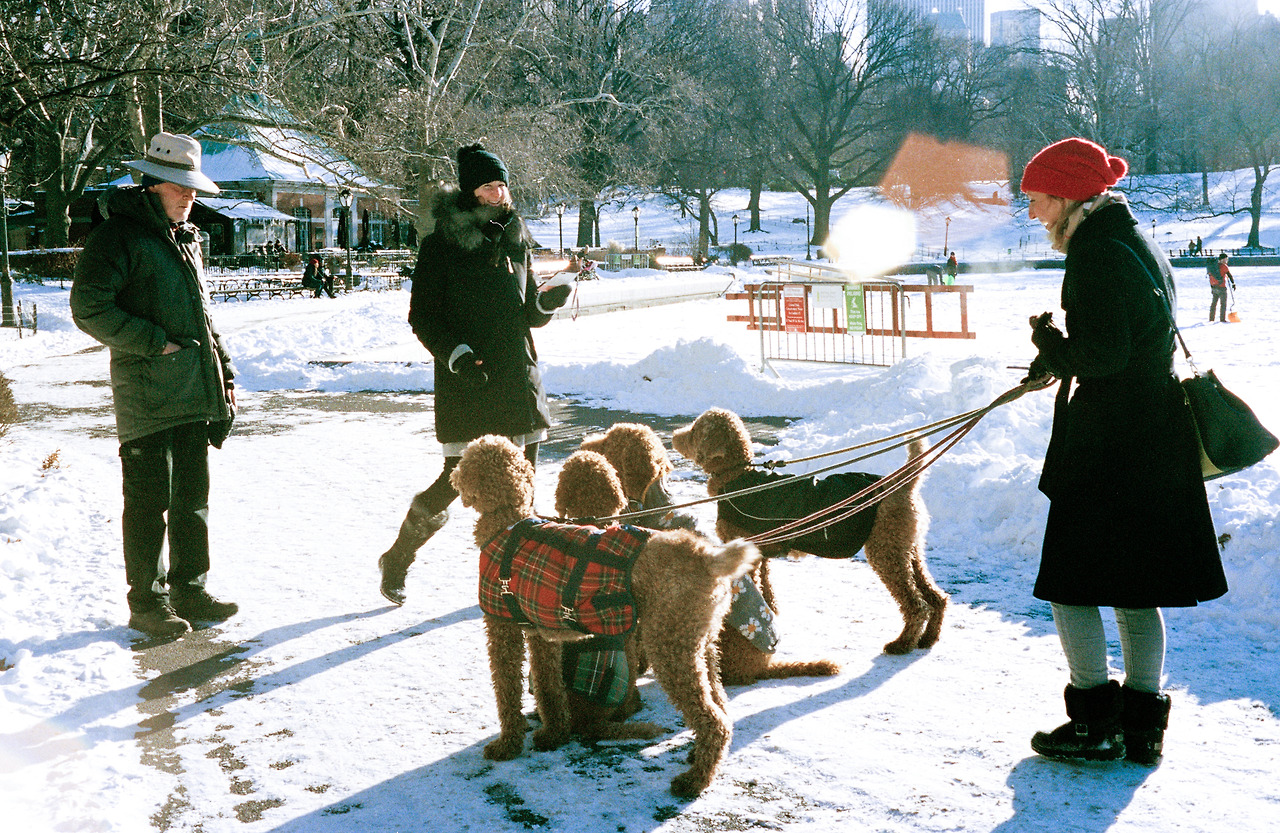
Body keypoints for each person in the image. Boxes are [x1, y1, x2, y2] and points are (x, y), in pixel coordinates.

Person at [1020, 137, 1227, 765]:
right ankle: (1142, 728)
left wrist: (1054, 347)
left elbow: (1104, 357)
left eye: (1036, 200)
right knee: (1138, 590)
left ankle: (1092, 725)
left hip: (1111, 444)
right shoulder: (1138, 242)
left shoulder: (1096, 254)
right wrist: (1060, 350)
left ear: (1066, 197)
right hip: (1155, 436)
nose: (1032, 213)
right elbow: (1129, 343)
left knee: (1073, 584)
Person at [376, 143, 573, 605]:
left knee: (524, 485)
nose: (499, 194)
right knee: (452, 480)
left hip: (519, 377)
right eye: (489, 186)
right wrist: (456, 354)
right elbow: (423, 316)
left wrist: (545, 302)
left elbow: (526, 310)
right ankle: (399, 556)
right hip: (471, 378)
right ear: (469, 193)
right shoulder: (441, 245)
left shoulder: (515, 237)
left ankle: (518, 580)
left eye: (503, 185)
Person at [70, 132, 240, 638]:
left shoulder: (184, 238)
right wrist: (153, 342)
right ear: (152, 185)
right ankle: (147, 602)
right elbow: (89, 308)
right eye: (179, 187)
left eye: (191, 188)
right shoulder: (117, 236)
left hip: (192, 391)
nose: (190, 197)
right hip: (147, 397)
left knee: (192, 501)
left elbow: (204, 318)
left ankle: (190, 589)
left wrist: (224, 373)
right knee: (149, 506)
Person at [1208, 252, 1235, 322]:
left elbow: (1210, 277)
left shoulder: (1213, 267)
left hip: (1214, 288)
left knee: (1213, 304)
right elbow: (1229, 275)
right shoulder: (1224, 266)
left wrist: (1212, 287)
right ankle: (1222, 319)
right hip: (1222, 288)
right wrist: (1233, 283)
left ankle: (1211, 319)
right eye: (1226, 259)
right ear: (1222, 259)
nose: (1226, 261)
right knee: (1223, 304)